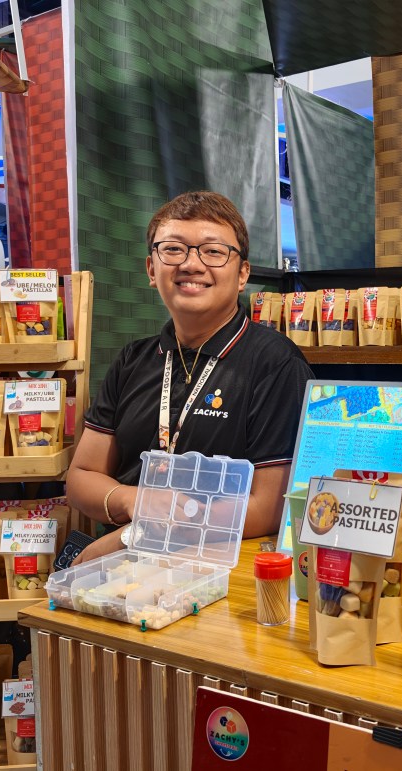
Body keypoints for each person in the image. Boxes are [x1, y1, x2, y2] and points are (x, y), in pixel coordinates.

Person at [68, 191, 313, 564]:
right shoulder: (133, 359)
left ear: (242, 274)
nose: (191, 264)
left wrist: (140, 533)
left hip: (219, 573)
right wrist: (134, 501)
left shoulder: (275, 363)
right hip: (124, 571)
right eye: (173, 249)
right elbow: (82, 475)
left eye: (213, 251)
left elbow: (270, 506)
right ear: (152, 270)